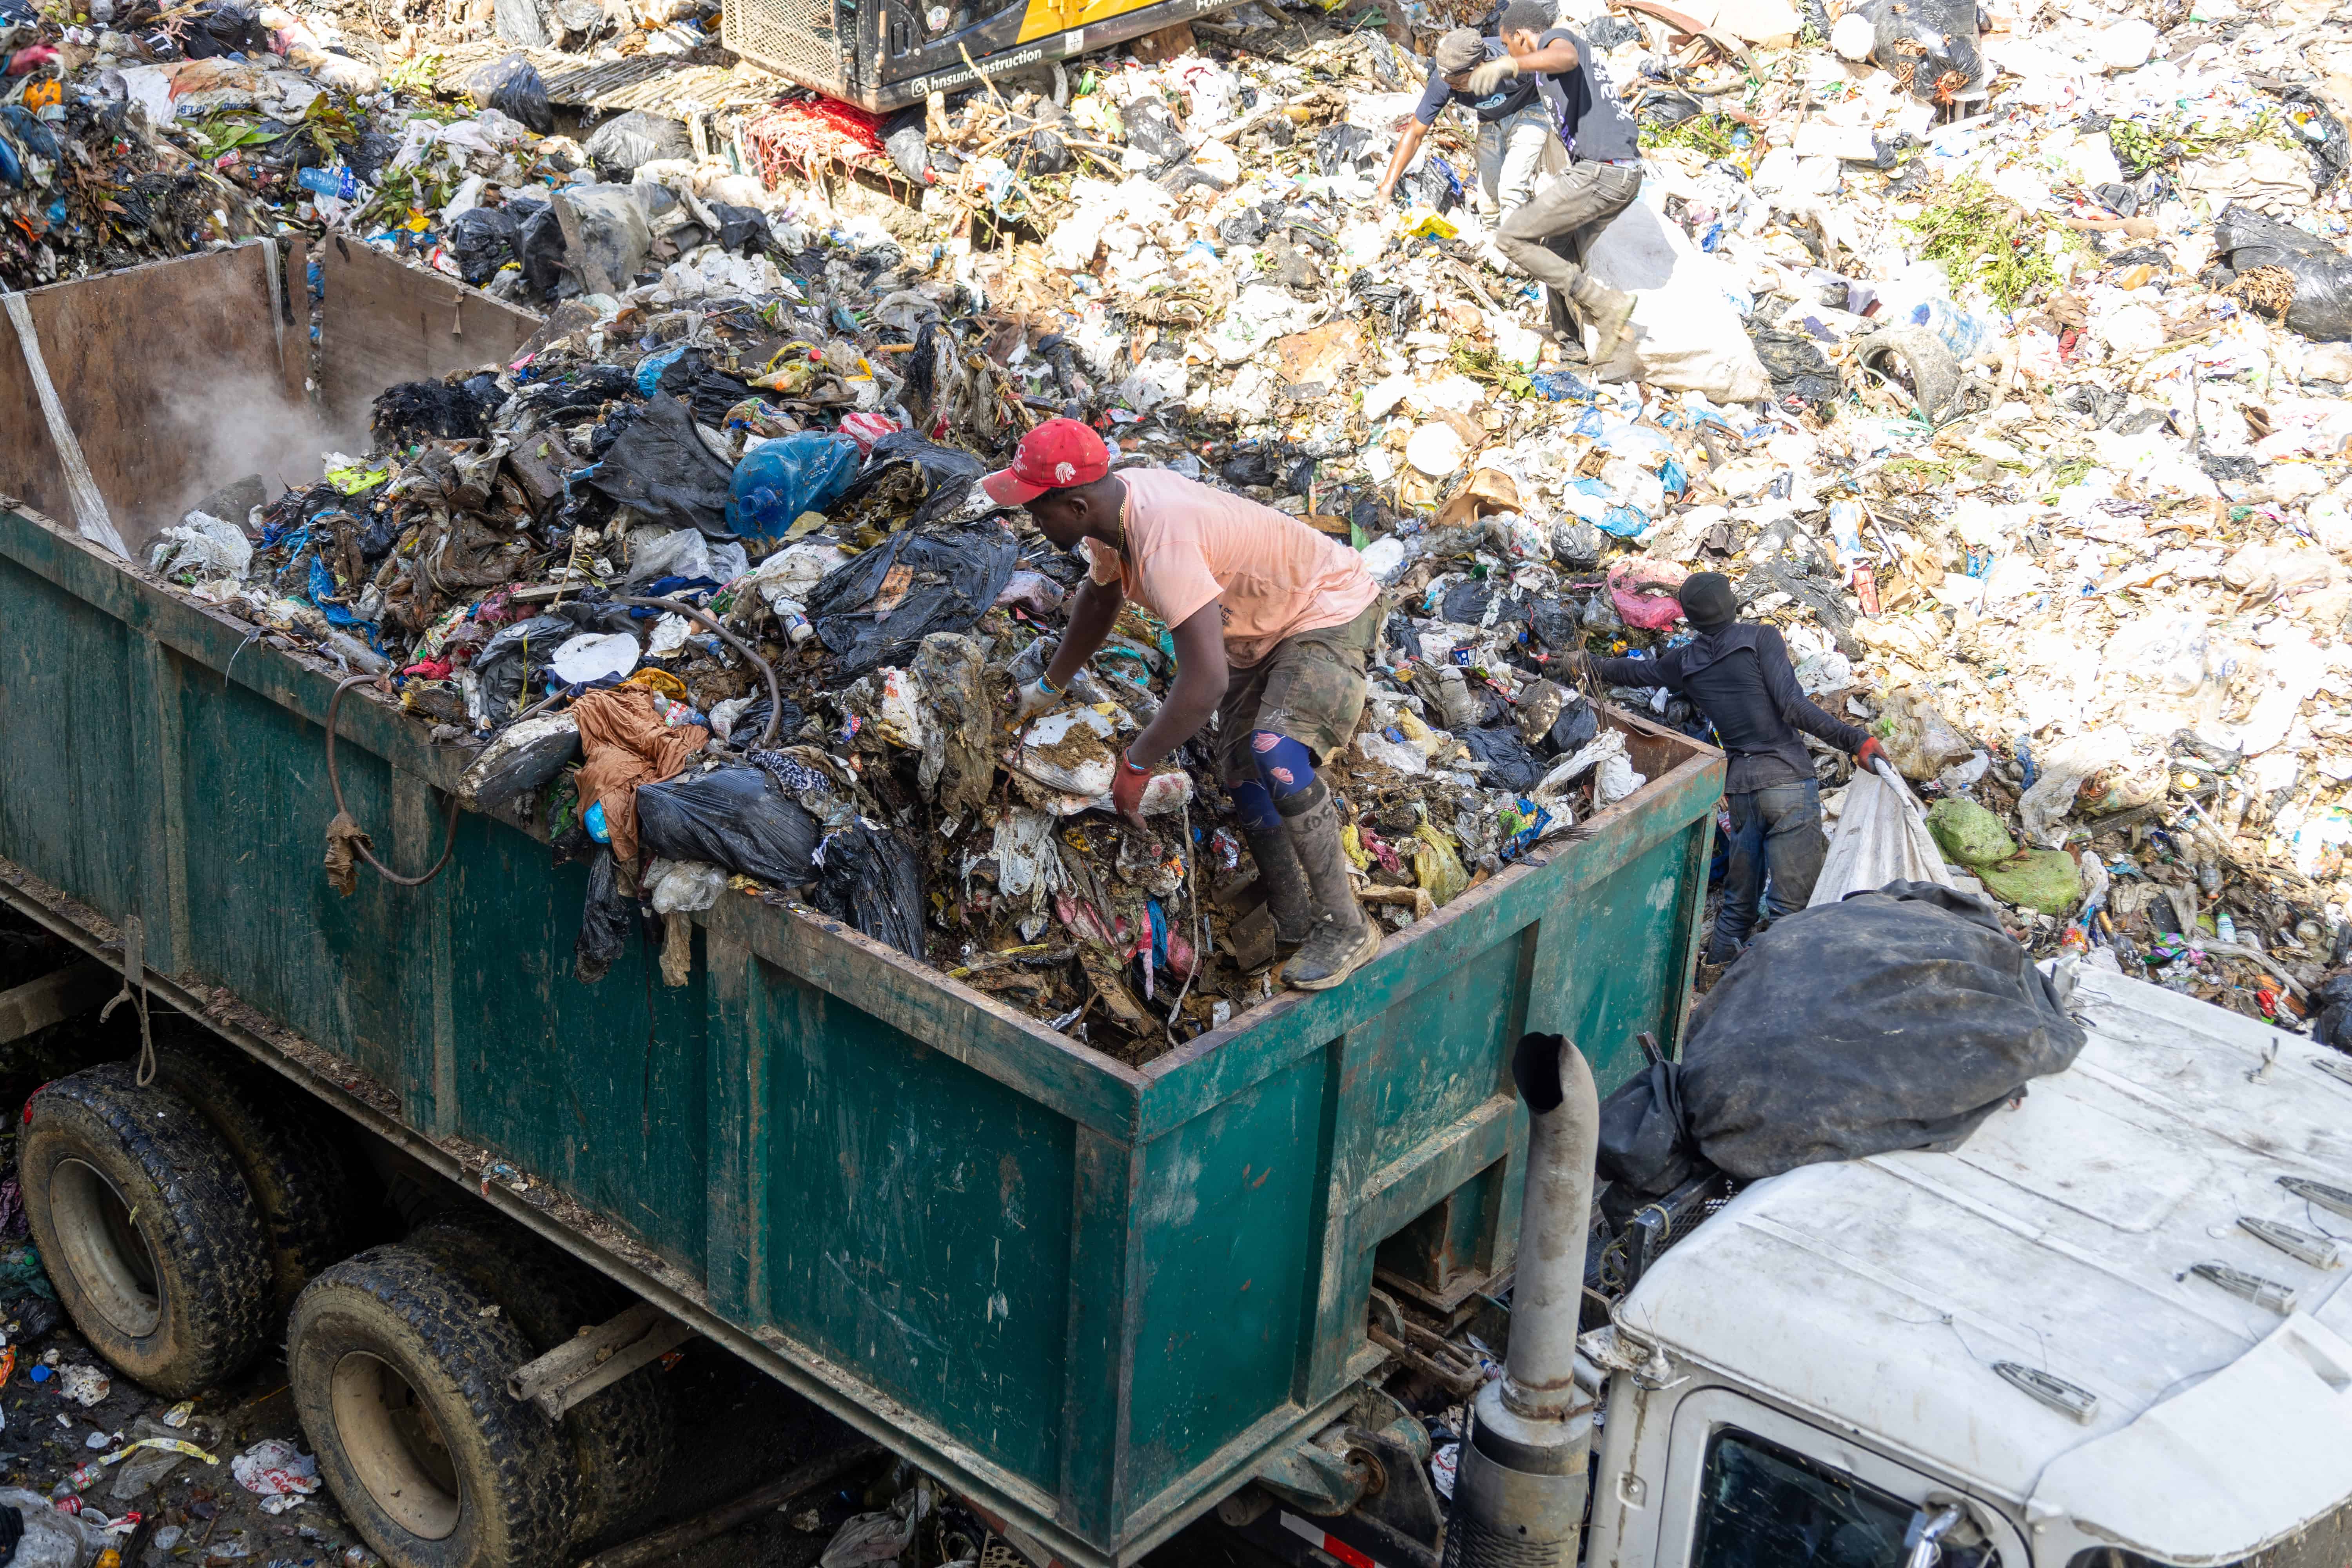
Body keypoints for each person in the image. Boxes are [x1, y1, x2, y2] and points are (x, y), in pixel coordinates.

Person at [989, 419, 1386, 992]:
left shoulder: (1162, 543)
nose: (1033, 520)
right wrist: (1049, 686)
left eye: (1037, 509)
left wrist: (1137, 764)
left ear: (1076, 506)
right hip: (1261, 627)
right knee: (1240, 769)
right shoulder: (1111, 515)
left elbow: (1205, 685)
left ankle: (1346, 928)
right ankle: (1292, 915)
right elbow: (1099, 601)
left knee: (1275, 751)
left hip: (1326, 607)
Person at [1564, 572, 1888, 964]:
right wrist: (1856, 741)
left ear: (1691, 619)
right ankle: (1773, 991)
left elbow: (1634, 672)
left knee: (1738, 907)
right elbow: (1792, 706)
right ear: (1732, 605)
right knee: (1790, 911)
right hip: (1787, 781)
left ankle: (1715, 978)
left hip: (1742, 792)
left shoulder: (1684, 662)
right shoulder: (1761, 639)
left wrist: (1583, 663)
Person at [1463, 0, 1644, 356]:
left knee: (1510, 237)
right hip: (1621, 175)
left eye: (1509, 46)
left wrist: (1512, 64)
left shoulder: (1558, 39)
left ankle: (1606, 305)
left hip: (1602, 171)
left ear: (1521, 37)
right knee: (1557, 253)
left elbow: (1566, 57)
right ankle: (1573, 345)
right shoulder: (1547, 73)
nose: (1509, 54)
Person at [1374, 26, 1563, 220]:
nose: (1453, 88)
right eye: (1450, 83)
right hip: (1491, 119)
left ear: (1480, 66)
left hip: (1531, 109)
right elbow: (1415, 133)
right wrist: (1386, 188)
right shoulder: (1444, 81)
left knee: (1511, 189)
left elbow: (1560, 63)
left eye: (1458, 83)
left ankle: (1514, 237)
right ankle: (1493, 237)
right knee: (1488, 204)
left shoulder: (1515, 61)